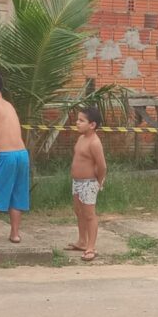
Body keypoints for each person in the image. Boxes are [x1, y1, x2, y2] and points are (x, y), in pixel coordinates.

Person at [0, 71, 29, 244]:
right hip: (22, 154)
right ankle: (15, 234)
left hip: (4, 155)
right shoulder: (8, 105)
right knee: (17, 195)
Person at [68, 106, 107, 262]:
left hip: (89, 182)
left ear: (92, 125)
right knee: (79, 211)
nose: (77, 123)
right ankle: (82, 241)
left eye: (81, 120)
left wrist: (99, 181)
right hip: (77, 182)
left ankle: (91, 247)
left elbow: (102, 166)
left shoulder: (95, 143)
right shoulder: (81, 138)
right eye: (77, 120)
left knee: (89, 215)